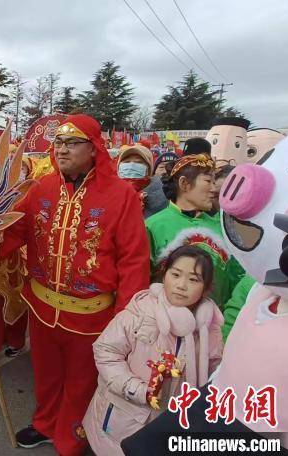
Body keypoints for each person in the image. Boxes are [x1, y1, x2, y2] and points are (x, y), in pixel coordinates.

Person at [0, 114, 150, 454]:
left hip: (90, 314)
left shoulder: (120, 195)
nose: (62, 150)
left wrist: (126, 318)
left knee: (81, 382)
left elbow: (133, 260)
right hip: (42, 306)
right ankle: (44, 423)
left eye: (71, 143)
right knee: (47, 374)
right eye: (59, 143)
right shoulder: (41, 188)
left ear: (94, 148)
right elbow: (16, 230)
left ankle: (70, 437)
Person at [83, 246, 223, 456]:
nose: (181, 285)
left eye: (194, 280)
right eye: (175, 275)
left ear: (206, 289)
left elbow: (217, 372)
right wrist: (138, 390)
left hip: (169, 423)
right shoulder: (140, 312)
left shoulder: (207, 328)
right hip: (123, 416)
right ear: (164, 273)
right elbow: (106, 352)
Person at [145, 154, 243, 309]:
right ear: (184, 184)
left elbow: (238, 277)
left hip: (215, 321)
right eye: (208, 181)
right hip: (165, 320)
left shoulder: (223, 227)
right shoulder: (153, 226)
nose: (213, 189)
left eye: (213, 181)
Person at [116, 144, 157, 217]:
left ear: (148, 169)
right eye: (127, 162)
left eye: (138, 162)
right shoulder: (109, 195)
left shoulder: (161, 200)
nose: (131, 165)